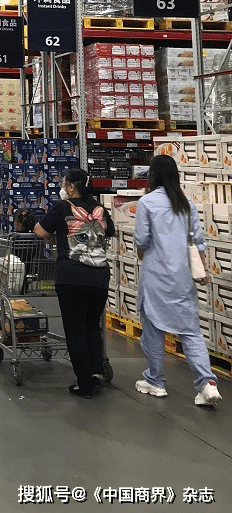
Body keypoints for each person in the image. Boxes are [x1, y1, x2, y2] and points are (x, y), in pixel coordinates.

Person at [134, 154, 222, 408]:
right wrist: (203, 270)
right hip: (182, 278)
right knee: (190, 331)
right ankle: (207, 383)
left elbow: (142, 241)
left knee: (153, 330)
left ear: (152, 175)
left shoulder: (147, 202)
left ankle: (156, 381)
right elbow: (199, 242)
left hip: (155, 276)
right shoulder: (187, 203)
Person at [35, 168, 115, 398]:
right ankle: (95, 374)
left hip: (71, 276)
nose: (63, 188)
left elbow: (40, 231)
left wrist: (58, 234)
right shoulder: (100, 209)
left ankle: (84, 384)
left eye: (64, 184)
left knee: (76, 330)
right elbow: (109, 231)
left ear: (71, 187)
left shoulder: (63, 207)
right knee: (92, 327)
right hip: (99, 277)